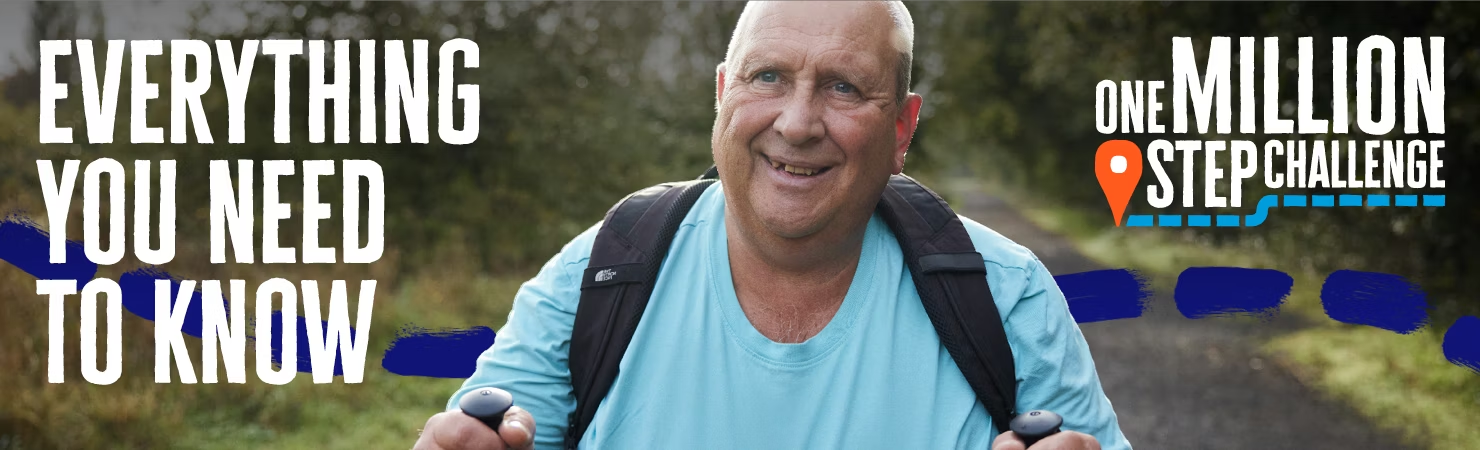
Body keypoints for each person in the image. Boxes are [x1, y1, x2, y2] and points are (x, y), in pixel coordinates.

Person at [413, 1, 1131, 449]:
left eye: (844, 86)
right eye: (767, 78)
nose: (796, 122)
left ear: (902, 128)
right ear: (723, 94)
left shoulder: (1005, 298)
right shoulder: (600, 274)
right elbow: (491, 434)